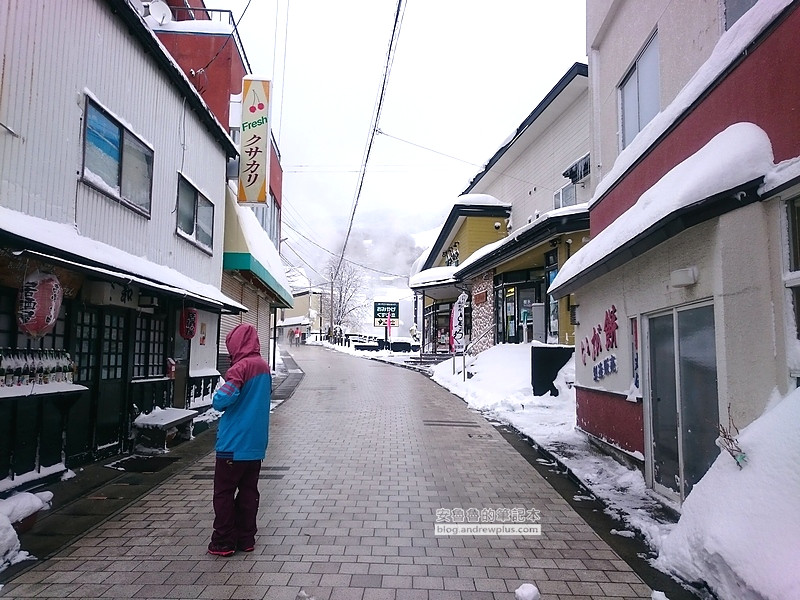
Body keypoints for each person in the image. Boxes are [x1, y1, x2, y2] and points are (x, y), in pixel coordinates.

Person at [208, 323, 271, 557]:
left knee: (223, 493)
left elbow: (222, 401)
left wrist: (219, 392)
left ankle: (223, 541)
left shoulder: (240, 368)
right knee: (248, 492)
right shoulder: (264, 367)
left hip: (233, 445)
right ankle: (246, 538)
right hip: (256, 445)